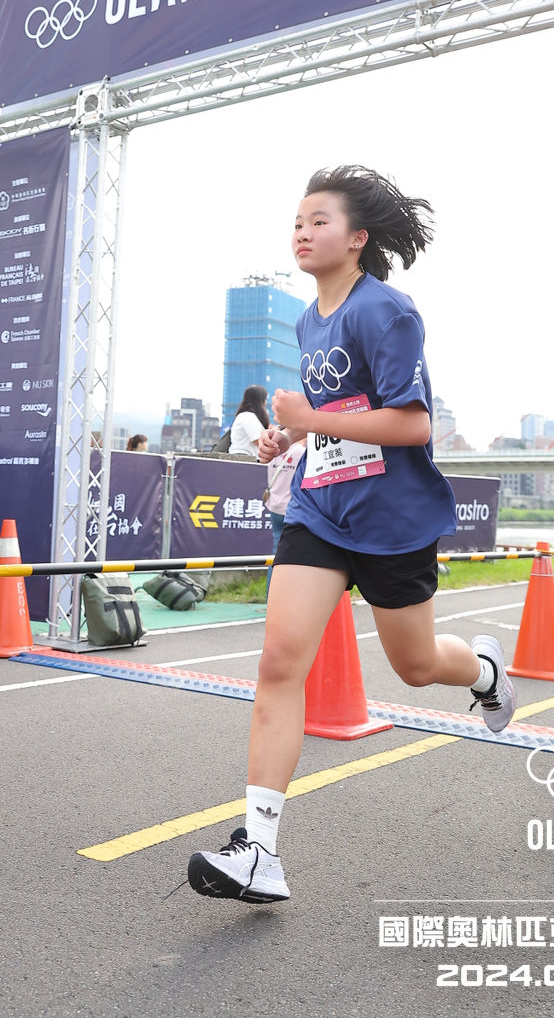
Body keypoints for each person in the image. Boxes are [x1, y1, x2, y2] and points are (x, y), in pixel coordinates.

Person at [188, 166, 515, 905]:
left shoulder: (386, 311)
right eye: (296, 223)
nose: (302, 234)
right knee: (279, 661)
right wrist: (290, 439)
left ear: (358, 238)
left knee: (417, 666)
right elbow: (338, 414)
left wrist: (309, 419)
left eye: (319, 222)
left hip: (391, 520)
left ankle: (485, 672)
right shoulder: (310, 321)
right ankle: (258, 852)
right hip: (320, 511)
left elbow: (411, 423)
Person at [263, 439, 305, 596]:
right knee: (297, 556)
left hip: (274, 506)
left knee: (276, 555)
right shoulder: (300, 452)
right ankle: (291, 595)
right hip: (293, 508)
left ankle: (271, 596)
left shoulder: (274, 452)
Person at [228, 385, 269, 456]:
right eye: (264, 399)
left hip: (244, 456)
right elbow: (257, 440)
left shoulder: (247, 416)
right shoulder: (248, 417)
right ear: (259, 401)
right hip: (243, 457)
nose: (266, 403)